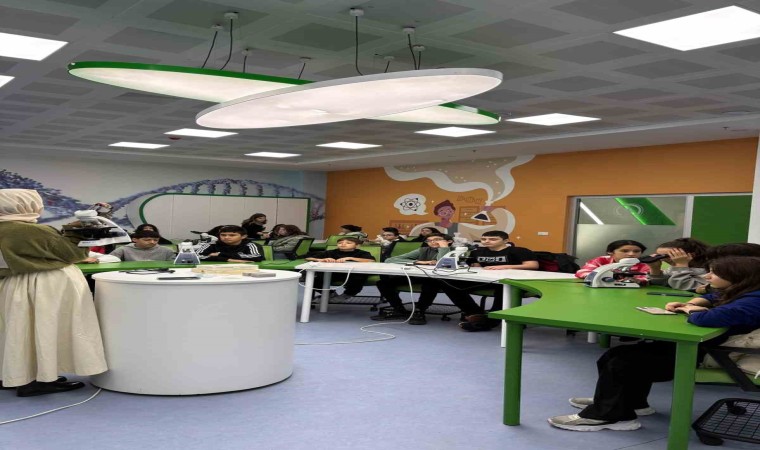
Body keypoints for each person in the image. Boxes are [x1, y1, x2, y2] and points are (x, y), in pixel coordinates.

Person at [548, 256, 760, 432]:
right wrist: (691, 303)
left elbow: (706, 318)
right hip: (709, 346)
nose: (707, 277)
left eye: (714, 273)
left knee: (623, 362)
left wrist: (691, 310)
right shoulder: (748, 291)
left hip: (716, 355)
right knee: (616, 354)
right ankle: (630, 403)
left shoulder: (753, 301)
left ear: (737, 276)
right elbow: (714, 296)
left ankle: (609, 416)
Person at [0, 189, 107, 396]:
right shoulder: (31, 230)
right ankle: (41, 379)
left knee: (18, 330)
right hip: (44, 284)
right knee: (45, 329)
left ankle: (15, 375)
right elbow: (73, 253)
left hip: (13, 283)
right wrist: (79, 231)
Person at [438, 230, 538, 331]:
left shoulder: (519, 251)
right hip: (486, 280)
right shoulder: (477, 251)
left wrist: (505, 266)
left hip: (512, 282)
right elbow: (476, 266)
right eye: (483, 239)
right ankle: (476, 313)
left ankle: (491, 321)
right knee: (447, 283)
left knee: (504, 288)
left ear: (505, 240)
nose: (487, 241)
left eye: (493, 239)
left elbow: (532, 265)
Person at [371, 233, 454, 324]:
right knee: (383, 283)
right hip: (420, 276)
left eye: (437, 239)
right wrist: (419, 262)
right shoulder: (423, 250)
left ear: (448, 241)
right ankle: (399, 310)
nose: (433, 242)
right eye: (429, 240)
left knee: (430, 284)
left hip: (440, 279)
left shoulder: (454, 251)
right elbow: (390, 260)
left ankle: (419, 311)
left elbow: (443, 264)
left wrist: (444, 248)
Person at [305, 237, 375, 300]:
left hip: (352, 274)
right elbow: (308, 258)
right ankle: (330, 293)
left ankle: (347, 294)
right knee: (314, 280)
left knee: (358, 278)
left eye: (348, 243)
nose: (343, 244)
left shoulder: (362, 253)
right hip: (333, 274)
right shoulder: (331, 252)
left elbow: (371, 260)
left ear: (357, 246)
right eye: (340, 243)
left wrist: (350, 258)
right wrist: (321, 259)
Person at [575, 240, 650, 282]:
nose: (631, 254)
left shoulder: (645, 264)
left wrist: (637, 280)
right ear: (610, 252)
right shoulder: (601, 260)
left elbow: (648, 278)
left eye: (636, 251)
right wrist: (607, 278)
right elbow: (582, 272)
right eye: (625, 251)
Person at [196, 225, 264, 262]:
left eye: (232, 235)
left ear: (243, 236)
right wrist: (227, 259)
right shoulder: (212, 244)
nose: (226, 237)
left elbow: (257, 256)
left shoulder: (251, 245)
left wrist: (220, 254)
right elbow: (195, 256)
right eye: (223, 235)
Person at [109, 230, 176, 261]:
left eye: (155, 240)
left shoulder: (167, 250)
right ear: (135, 239)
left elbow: (174, 265)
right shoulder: (124, 249)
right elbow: (109, 260)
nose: (152, 242)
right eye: (147, 240)